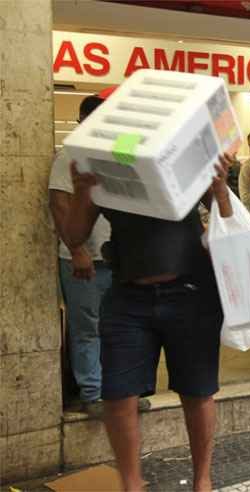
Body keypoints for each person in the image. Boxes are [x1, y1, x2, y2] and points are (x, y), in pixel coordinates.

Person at [64, 144, 235, 490]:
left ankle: (202, 481)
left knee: (198, 391)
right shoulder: (106, 165)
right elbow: (73, 235)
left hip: (190, 292)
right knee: (118, 395)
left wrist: (219, 187)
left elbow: (229, 221)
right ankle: (131, 485)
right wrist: (82, 191)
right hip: (128, 297)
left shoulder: (182, 155)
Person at [49, 95, 112, 415]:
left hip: (114, 259)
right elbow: (59, 203)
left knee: (115, 328)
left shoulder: (114, 154)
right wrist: (77, 250)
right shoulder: (69, 156)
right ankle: (92, 393)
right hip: (82, 260)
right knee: (86, 328)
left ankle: (115, 393)